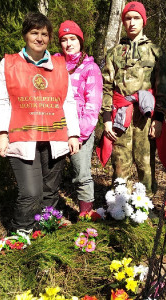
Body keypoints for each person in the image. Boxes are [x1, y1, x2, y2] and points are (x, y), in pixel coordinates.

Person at [0, 12, 80, 234]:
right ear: (25, 35)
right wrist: (1, 133)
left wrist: (73, 134)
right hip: (22, 138)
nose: (39, 38)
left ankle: (44, 231)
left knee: (50, 190)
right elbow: (0, 100)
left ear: (49, 38)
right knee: (31, 192)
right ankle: (21, 235)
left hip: (55, 138)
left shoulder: (59, 65)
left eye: (44, 34)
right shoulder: (9, 64)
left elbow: (68, 101)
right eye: (34, 33)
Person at [98, 1, 166, 197]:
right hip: (119, 115)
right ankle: (119, 207)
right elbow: (106, 86)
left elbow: (163, 88)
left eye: (136, 18)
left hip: (145, 117)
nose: (131, 22)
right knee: (120, 162)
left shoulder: (156, 52)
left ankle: (144, 208)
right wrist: (106, 120)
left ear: (143, 21)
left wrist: (159, 119)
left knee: (145, 163)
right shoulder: (114, 53)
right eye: (128, 18)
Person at [54, 20, 103, 214]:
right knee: (51, 174)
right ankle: (50, 214)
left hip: (80, 130)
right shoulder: (54, 65)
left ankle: (86, 214)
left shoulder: (90, 69)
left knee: (81, 174)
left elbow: (93, 105)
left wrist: (80, 135)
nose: (68, 43)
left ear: (80, 41)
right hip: (55, 128)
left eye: (73, 38)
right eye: (64, 40)